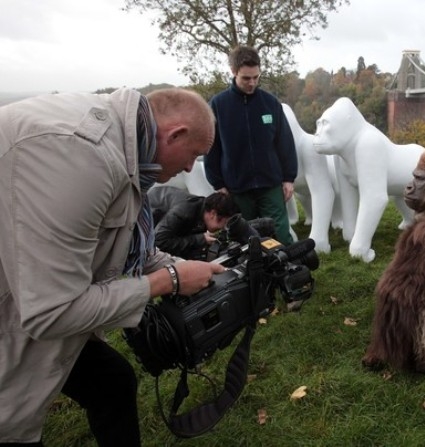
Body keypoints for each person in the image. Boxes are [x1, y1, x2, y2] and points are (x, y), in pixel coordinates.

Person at [0, 87, 226, 446]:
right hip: (20, 311)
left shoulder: (129, 147)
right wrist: (167, 280)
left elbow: (126, 245)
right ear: (176, 134)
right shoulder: (81, 159)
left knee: (112, 381)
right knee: (13, 427)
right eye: (194, 155)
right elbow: (52, 312)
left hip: (32, 294)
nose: (188, 167)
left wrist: (183, 268)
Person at [204, 45, 298, 246]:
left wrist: (289, 178)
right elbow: (211, 147)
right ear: (233, 72)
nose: (252, 83)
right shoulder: (218, 105)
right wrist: (218, 184)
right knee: (246, 238)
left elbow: (285, 142)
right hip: (237, 187)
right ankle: (255, 276)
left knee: (280, 233)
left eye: (256, 77)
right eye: (246, 78)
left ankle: (290, 272)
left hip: (270, 183)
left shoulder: (270, 103)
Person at [149, 186, 239, 260]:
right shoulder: (183, 212)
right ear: (213, 214)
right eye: (223, 224)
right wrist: (199, 239)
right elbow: (159, 241)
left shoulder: (202, 208)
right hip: (151, 226)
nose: (223, 228)